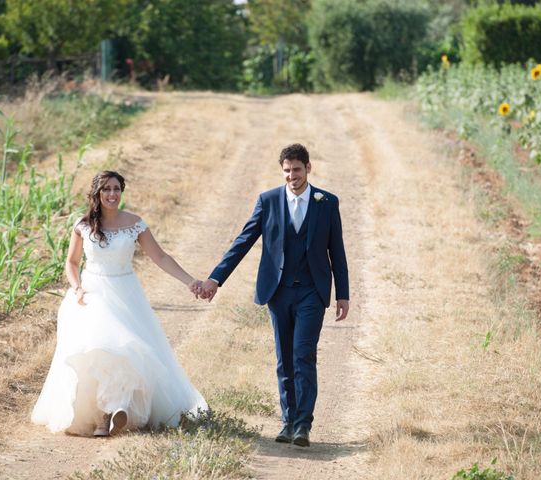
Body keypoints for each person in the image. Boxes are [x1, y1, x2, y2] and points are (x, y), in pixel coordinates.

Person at [31, 171, 207, 437]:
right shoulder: (83, 224)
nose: (112, 195)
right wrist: (77, 288)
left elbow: (160, 257)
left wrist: (190, 281)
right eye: (107, 190)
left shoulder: (134, 223)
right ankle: (103, 415)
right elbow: (71, 262)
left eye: (116, 189)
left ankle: (118, 407)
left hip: (126, 293)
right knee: (101, 349)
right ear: (97, 193)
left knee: (127, 350)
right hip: (93, 293)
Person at [198, 143, 349, 447]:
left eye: (297, 169)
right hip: (278, 292)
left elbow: (337, 251)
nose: (292, 176)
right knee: (284, 359)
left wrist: (343, 294)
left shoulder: (327, 202)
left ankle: (303, 424)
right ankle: (288, 420)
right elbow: (243, 242)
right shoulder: (268, 201)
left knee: (303, 354)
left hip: (312, 291)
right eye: (287, 171)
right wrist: (216, 278)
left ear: (308, 168)